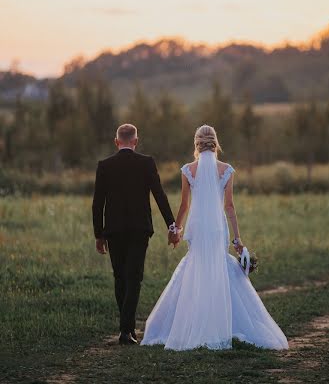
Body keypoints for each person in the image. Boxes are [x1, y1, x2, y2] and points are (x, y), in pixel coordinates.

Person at [141, 124, 289, 351]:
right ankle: (223, 324)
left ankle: (193, 325)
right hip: (218, 228)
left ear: (197, 144)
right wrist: (238, 240)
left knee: (197, 268)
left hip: (198, 228)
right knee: (219, 267)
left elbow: (184, 205)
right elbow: (229, 206)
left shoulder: (188, 170)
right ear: (215, 142)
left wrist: (175, 230)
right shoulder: (226, 170)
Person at [92, 123, 177, 345]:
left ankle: (126, 329)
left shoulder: (105, 165)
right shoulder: (146, 163)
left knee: (120, 277)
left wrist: (98, 235)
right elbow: (159, 195)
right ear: (136, 141)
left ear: (116, 141)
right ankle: (126, 330)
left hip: (114, 230)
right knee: (134, 278)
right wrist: (172, 225)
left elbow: (97, 204)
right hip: (140, 228)